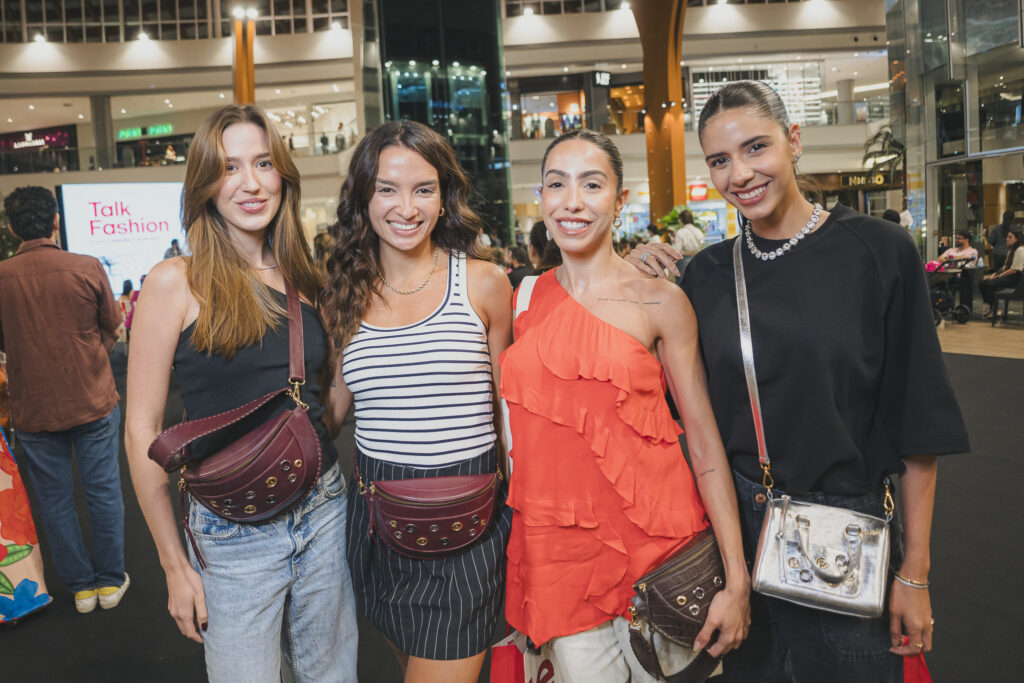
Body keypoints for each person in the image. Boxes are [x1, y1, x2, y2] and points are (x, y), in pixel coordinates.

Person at [626, 81, 969, 683]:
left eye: (756, 147)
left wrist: (914, 572)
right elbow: (669, 407)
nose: (740, 174)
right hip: (736, 538)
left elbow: (919, 424)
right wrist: (625, 279)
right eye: (720, 160)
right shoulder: (706, 274)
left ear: (794, 140)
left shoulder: (877, 251)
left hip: (843, 531)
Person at [499, 130, 750, 681]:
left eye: (592, 185)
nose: (572, 202)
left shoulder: (660, 299)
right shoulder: (522, 297)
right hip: (560, 560)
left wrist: (737, 576)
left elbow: (704, 443)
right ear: (540, 197)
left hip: (662, 558)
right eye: (557, 184)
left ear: (620, 199)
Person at [123, 105, 357, 682]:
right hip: (231, 530)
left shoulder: (308, 280)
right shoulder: (175, 282)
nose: (251, 183)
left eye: (264, 163)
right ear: (206, 183)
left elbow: (328, 409)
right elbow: (142, 431)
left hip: (324, 509)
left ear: (283, 176)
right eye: (230, 167)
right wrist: (174, 565)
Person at [320, 120, 513, 683]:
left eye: (423, 189)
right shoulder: (342, 297)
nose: (406, 208)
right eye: (387, 189)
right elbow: (331, 414)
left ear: (444, 197)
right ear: (363, 197)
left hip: (470, 518)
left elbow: (509, 413)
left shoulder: (483, 283)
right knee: (411, 658)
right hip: (376, 520)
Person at [0, 186, 129, 615]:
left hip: (34, 409)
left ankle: (81, 589)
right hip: (93, 398)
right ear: (56, 221)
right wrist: (92, 358)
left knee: (53, 502)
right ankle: (110, 582)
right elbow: (112, 327)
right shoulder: (87, 266)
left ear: (12, 228)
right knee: (104, 491)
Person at [979, 228, 1024, 318]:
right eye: (1007, 237)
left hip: (1016, 278)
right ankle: (991, 306)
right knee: (982, 283)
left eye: (1010, 237)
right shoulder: (1012, 250)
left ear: (1017, 239)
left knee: (990, 284)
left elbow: (1014, 270)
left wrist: (999, 276)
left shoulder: (1020, 250)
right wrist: (995, 274)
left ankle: (996, 309)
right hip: (1009, 276)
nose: (1007, 239)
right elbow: (1005, 266)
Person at [117, 280, 134, 344]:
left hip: (123, 319)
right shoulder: (132, 295)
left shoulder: (120, 298)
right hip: (131, 317)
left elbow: (120, 310)